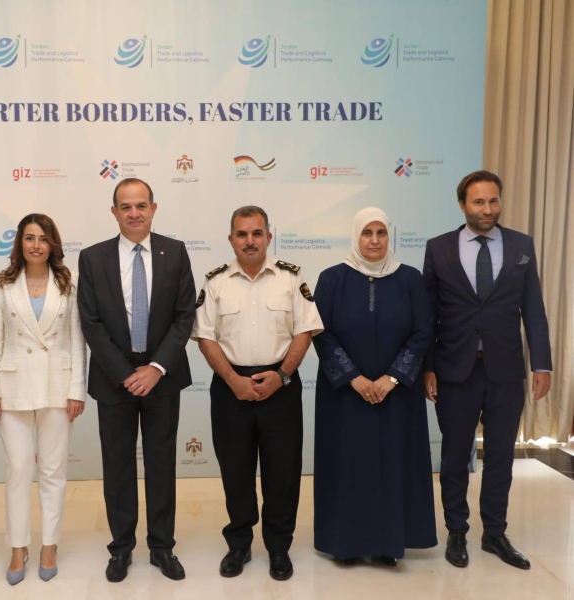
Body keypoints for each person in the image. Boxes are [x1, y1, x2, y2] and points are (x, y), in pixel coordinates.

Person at [423, 170, 552, 570]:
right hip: (454, 371)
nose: (487, 209)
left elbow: (533, 309)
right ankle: (456, 531)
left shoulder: (521, 246)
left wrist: (542, 363)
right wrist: (427, 367)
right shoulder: (439, 248)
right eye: (478, 201)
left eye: (493, 200)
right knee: (454, 457)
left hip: (506, 371)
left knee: (500, 458)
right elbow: (427, 315)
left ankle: (495, 533)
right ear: (463, 204)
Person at [191, 206, 323, 581]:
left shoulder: (290, 278)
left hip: (280, 386)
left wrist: (282, 375)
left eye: (257, 233)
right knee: (236, 471)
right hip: (230, 387)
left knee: (283, 472)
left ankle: (279, 547)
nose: (250, 241)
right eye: (242, 234)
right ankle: (239, 544)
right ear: (231, 239)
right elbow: (205, 336)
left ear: (269, 237)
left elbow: (305, 331)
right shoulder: (215, 282)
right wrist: (234, 380)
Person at [77, 178, 196, 582]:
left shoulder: (175, 252)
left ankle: (162, 547)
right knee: (118, 467)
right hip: (115, 378)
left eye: (141, 205)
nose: (134, 213)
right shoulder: (92, 258)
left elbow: (184, 316)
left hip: (162, 376)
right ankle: (121, 549)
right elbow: (91, 323)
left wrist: (156, 368)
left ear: (153, 208)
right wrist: (127, 374)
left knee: (161, 464)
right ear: (114, 212)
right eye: (125, 206)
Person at [311, 207, 437, 567]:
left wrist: (392, 378)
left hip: (397, 396)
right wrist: (354, 378)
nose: (374, 241)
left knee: (392, 465)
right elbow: (321, 332)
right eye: (367, 233)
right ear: (356, 236)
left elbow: (422, 332)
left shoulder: (409, 278)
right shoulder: (332, 279)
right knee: (348, 464)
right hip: (344, 395)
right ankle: (346, 544)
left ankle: (388, 544)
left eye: (381, 233)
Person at [0, 214, 87, 585]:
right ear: (20, 243)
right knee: (17, 470)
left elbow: (77, 341)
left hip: (57, 386)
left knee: (53, 471)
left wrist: (76, 390)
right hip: (12, 386)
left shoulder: (69, 282)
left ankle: (49, 545)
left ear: (53, 244)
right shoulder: (2, 283)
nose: (36, 245)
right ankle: (18, 547)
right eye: (29, 238)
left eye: (43, 238)